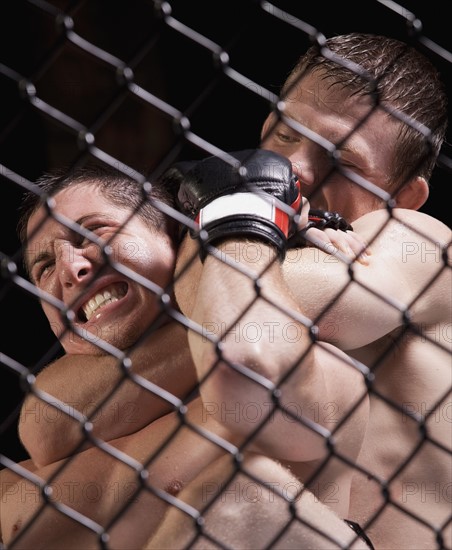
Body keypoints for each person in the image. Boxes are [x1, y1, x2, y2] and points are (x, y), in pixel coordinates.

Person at [149, 32, 451, 550]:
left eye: (343, 161)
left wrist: (223, 227)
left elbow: (331, 306)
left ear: (403, 196)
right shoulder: (238, 256)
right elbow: (60, 409)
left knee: (242, 500)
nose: (296, 170)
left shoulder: (420, 239)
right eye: (285, 137)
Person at [0, 163, 371, 549]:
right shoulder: (32, 458)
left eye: (94, 232)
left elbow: (246, 360)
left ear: (176, 236)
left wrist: (229, 226)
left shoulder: (315, 374)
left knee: (243, 494)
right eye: (44, 268)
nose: (69, 269)